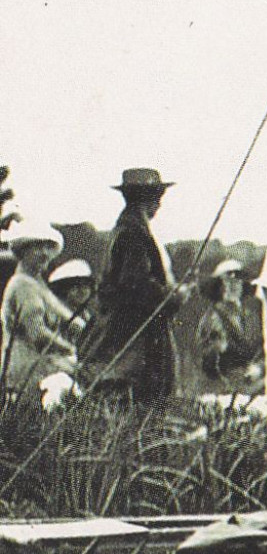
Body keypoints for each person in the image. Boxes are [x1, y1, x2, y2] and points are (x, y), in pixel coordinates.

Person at [81, 168, 183, 403]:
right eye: (157, 197)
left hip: (129, 326)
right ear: (149, 199)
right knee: (143, 391)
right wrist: (172, 296)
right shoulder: (133, 233)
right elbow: (136, 284)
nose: (159, 204)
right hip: (138, 330)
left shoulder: (127, 228)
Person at [0, 222, 77, 394]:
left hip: (43, 367)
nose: (45, 254)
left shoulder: (38, 285)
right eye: (37, 247)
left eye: (48, 247)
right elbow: (38, 334)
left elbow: (70, 319)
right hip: (29, 374)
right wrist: (72, 350)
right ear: (23, 251)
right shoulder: (22, 285)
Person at [194, 259, 262, 386]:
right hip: (224, 384)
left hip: (256, 382)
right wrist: (218, 348)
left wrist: (259, 368)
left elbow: (262, 347)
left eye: (238, 280)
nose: (233, 285)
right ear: (219, 286)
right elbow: (206, 360)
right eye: (227, 280)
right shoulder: (212, 317)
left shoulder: (252, 316)